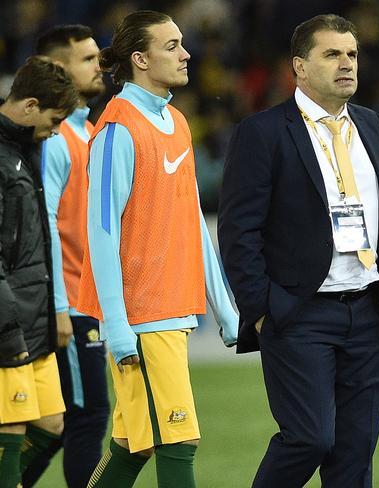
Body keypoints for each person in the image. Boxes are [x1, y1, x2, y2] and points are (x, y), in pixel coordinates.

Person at [218, 13, 379, 488]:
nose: (347, 63)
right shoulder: (262, 132)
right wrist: (262, 309)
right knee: (309, 438)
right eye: (332, 54)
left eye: (351, 54)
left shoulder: (370, 124)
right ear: (299, 67)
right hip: (300, 313)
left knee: (354, 454)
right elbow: (238, 231)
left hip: (369, 310)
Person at [74, 10, 238, 488]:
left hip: (170, 311)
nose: (186, 54)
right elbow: (101, 232)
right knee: (178, 442)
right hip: (142, 317)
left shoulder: (177, 121)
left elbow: (192, 222)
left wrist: (223, 306)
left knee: (132, 448)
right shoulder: (117, 130)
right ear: (140, 59)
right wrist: (118, 327)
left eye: (182, 43)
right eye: (172, 46)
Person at [17, 25, 111, 488]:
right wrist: (59, 307)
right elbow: (46, 224)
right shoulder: (56, 140)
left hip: (83, 302)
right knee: (85, 416)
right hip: (68, 303)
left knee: (62, 422)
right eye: (89, 58)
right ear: (58, 68)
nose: (101, 66)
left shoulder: (86, 130)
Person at [0, 56, 78, 488]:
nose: (58, 129)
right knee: (10, 429)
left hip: (34, 317)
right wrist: (9, 333)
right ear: (30, 106)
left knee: (50, 424)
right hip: (8, 325)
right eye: (55, 118)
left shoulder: (29, 149)